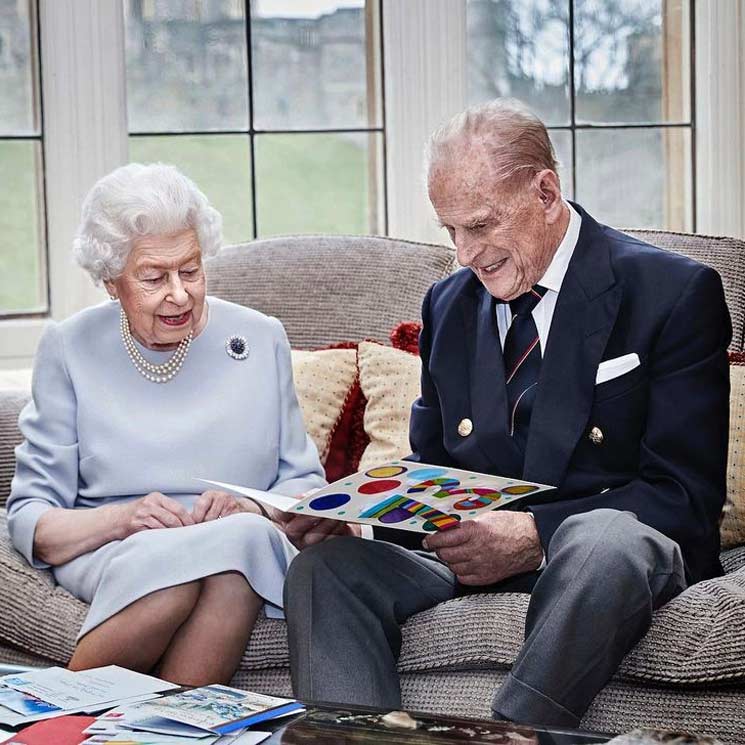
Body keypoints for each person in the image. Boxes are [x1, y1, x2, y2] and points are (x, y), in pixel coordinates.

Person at [281, 99, 731, 727]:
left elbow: (683, 498)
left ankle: (508, 737)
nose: (465, 253)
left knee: (605, 540)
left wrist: (533, 537)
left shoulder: (673, 293)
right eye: (451, 231)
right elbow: (433, 468)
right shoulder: (449, 304)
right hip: (469, 560)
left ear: (546, 192)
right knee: (325, 570)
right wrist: (359, 518)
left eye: (482, 225)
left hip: (597, 564)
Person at [7, 163, 326, 685]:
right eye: (153, 278)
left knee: (235, 553)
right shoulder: (70, 347)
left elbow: (305, 485)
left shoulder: (260, 337)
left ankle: (54, 723)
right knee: (192, 573)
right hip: (114, 545)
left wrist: (251, 505)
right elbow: (32, 518)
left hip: (237, 539)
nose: (179, 294)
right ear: (112, 282)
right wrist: (124, 519)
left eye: (191, 270)